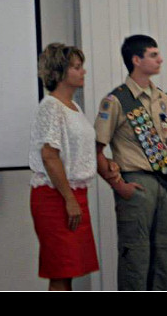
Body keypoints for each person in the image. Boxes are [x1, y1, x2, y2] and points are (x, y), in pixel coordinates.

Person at [94, 34, 167, 290]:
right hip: (136, 182)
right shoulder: (116, 100)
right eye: (153, 55)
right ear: (136, 60)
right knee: (136, 255)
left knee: (164, 254)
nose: (160, 59)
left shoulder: (163, 99)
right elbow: (97, 150)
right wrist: (118, 185)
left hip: (164, 183)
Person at [29, 43, 117, 291]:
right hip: (55, 196)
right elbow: (49, 155)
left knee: (71, 269)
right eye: (77, 68)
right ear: (60, 72)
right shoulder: (51, 106)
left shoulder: (74, 107)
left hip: (75, 194)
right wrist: (68, 198)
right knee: (61, 270)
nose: (83, 72)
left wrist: (108, 164)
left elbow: (76, 151)